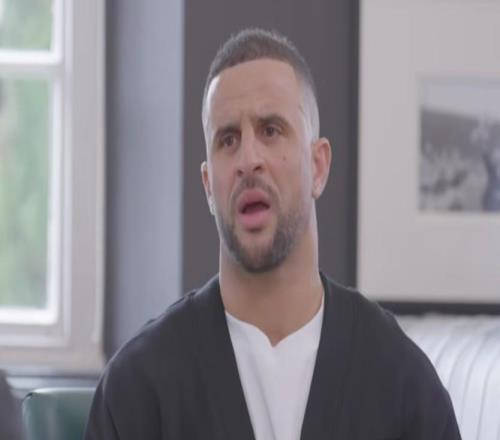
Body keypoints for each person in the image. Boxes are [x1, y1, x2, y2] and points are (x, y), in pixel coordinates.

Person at [85, 28, 461, 439]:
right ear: (209, 186)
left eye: (271, 130)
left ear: (318, 166)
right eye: (228, 139)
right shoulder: (138, 389)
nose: (248, 160)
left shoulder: (401, 382)